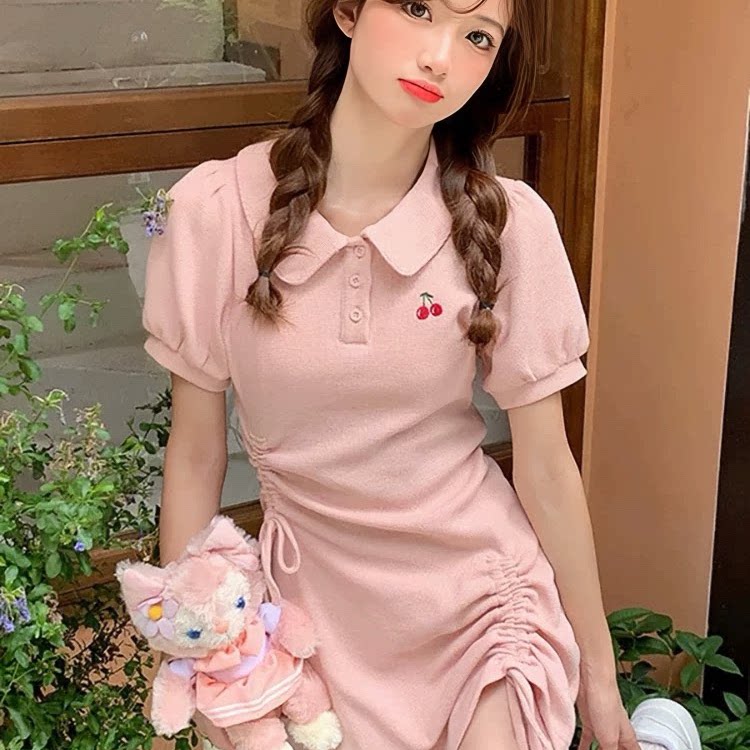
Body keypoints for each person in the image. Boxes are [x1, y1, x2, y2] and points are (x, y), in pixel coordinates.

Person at [141, 0, 703, 749]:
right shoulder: (216, 212)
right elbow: (195, 454)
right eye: (416, 8)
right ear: (347, 11)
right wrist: (195, 656)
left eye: (477, 37)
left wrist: (599, 680)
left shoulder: (508, 225)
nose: (440, 56)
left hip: (481, 607)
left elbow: (546, 468)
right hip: (312, 616)